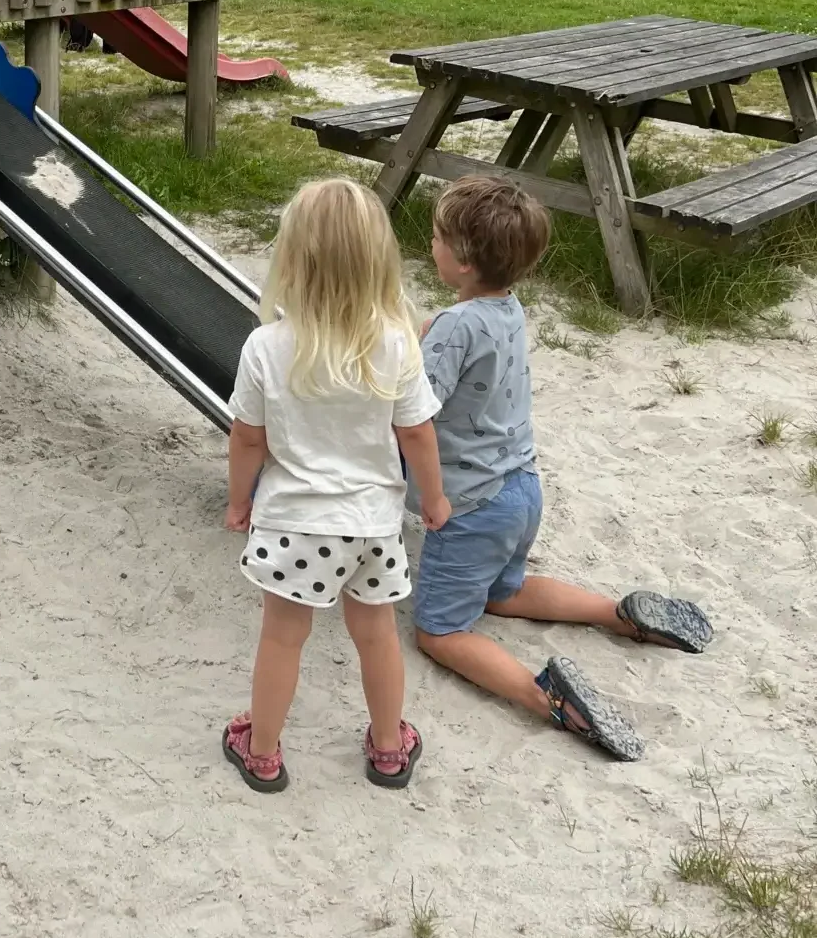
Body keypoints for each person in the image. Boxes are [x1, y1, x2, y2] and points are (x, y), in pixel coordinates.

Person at [411, 175, 713, 761]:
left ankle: (547, 697)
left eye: (438, 238)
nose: (432, 246)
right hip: (521, 491)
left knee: (440, 630)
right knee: (505, 591)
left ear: (465, 260)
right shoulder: (507, 310)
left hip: (470, 505)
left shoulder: (455, 326)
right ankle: (619, 614)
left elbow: (416, 408)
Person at [221, 178, 450, 794]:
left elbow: (248, 438)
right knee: (376, 634)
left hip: (295, 522)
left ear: (291, 259)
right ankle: (387, 746)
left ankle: (263, 752)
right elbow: (418, 435)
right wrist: (433, 498)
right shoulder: (396, 343)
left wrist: (239, 499)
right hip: (374, 525)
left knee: (282, 637)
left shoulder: (267, 346)